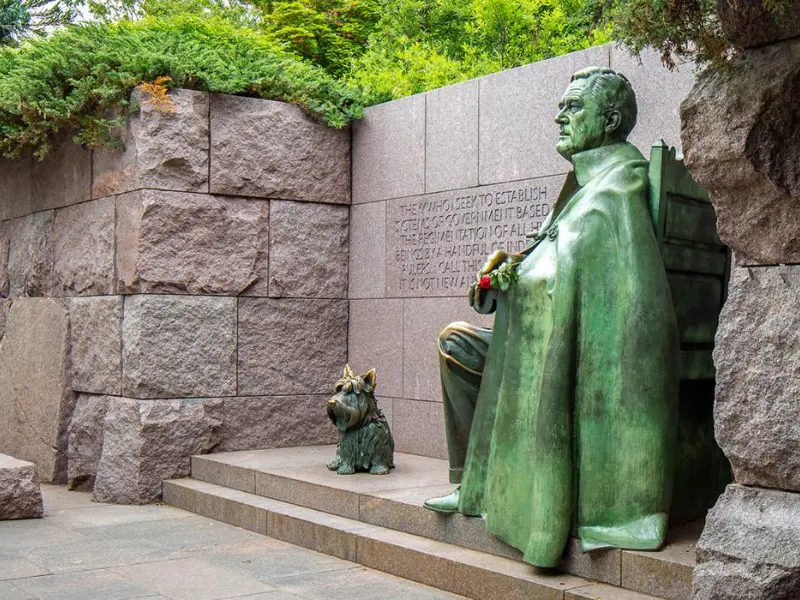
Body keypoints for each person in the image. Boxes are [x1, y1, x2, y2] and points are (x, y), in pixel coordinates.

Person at [424, 67, 680, 569]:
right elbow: (546, 263)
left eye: (573, 107)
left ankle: (524, 501)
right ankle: (474, 483)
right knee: (454, 343)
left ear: (608, 120)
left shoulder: (617, 184)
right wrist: (501, 279)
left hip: (582, 359)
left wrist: (523, 281)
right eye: (561, 106)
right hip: (533, 338)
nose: (559, 116)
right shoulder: (580, 187)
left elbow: (605, 280)